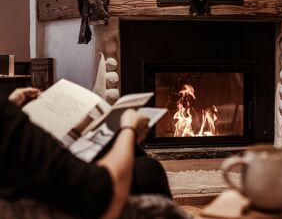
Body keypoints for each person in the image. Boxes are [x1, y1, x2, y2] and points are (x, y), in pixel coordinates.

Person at [0, 87, 189, 219]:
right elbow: (102, 196)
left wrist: (10, 105)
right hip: (73, 199)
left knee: (143, 165)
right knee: (148, 171)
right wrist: (128, 130)